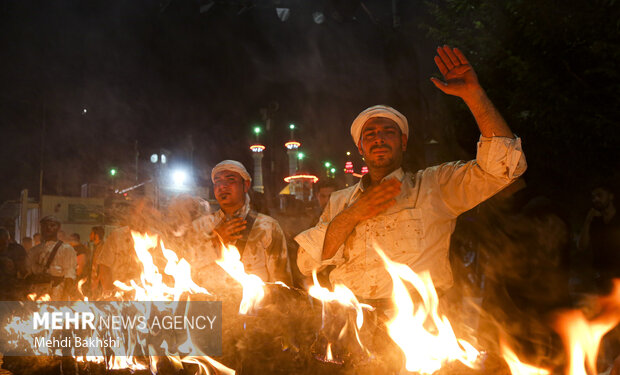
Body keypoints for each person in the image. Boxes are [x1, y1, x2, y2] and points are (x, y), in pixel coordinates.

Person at [296, 45, 527, 303]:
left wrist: (474, 96)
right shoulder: (340, 201)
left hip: (416, 327)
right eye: (370, 135)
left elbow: (503, 168)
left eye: (388, 132)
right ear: (360, 148)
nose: (379, 138)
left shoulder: (434, 186)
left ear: (403, 142)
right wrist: (355, 213)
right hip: (354, 325)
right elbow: (307, 262)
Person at [193, 160, 292, 285]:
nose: (222, 186)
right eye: (217, 181)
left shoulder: (267, 226)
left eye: (230, 180)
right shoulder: (200, 226)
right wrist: (215, 241)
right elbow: (185, 269)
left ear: (246, 185)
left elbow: (282, 280)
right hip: (212, 303)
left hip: (256, 304)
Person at [578, 185, 620, 291]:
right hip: (600, 278)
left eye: (599, 195)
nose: (596, 199)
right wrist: (588, 220)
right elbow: (582, 246)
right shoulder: (595, 222)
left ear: (611, 196)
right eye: (593, 197)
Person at [27, 216, 77, 299]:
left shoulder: (66, 249)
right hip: (37, 290)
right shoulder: (34, 250)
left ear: (58, 228)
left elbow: (69, 275)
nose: (48, 228)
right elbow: (28, 271)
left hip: (57, 291)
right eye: (45, 226)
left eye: (52, 225)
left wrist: (66, 296)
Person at [0, 228, 29, 300]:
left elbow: (24, 271)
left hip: (14, 288)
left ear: (8, 240)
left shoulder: (17, 250)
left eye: (3, 243)